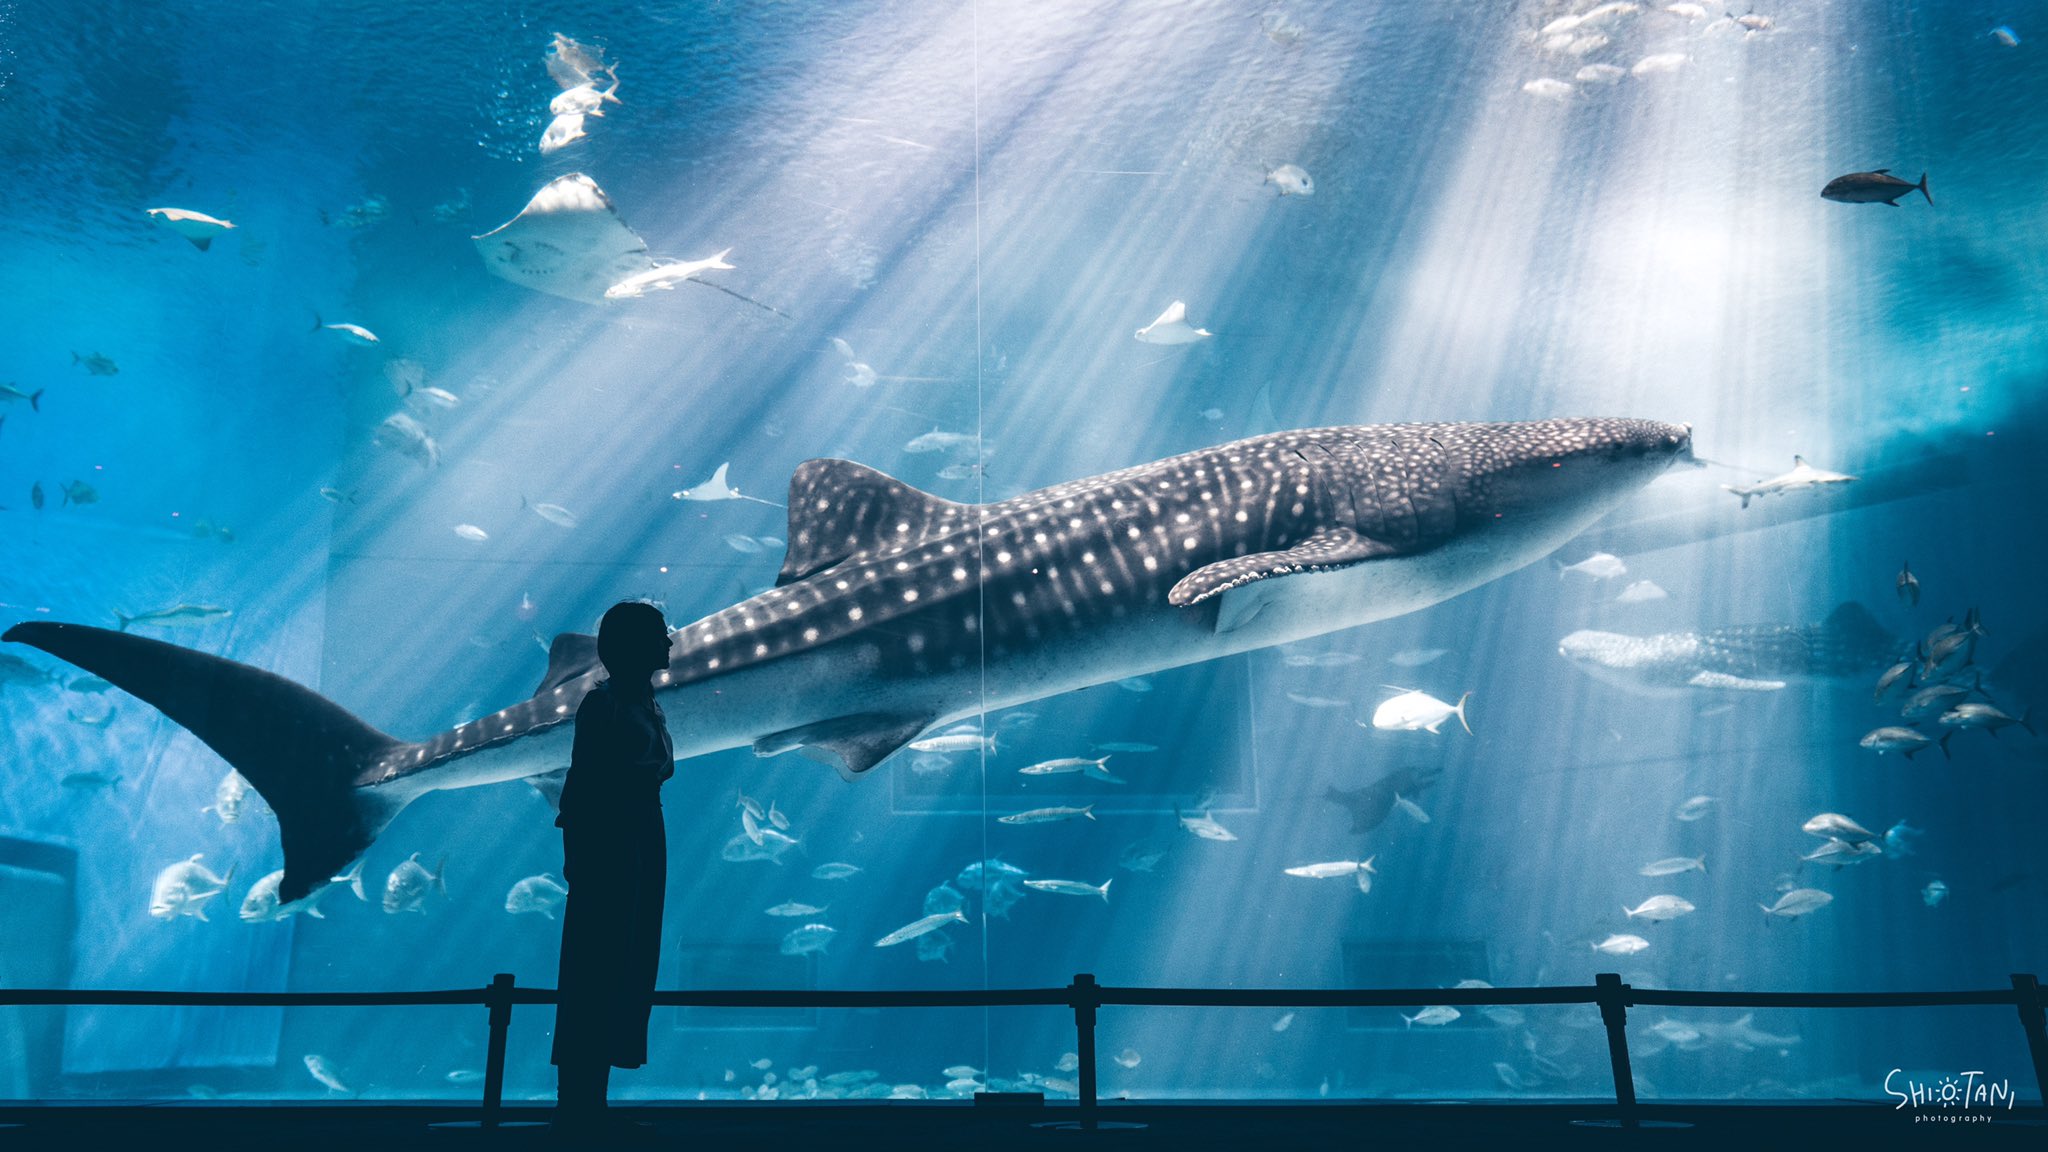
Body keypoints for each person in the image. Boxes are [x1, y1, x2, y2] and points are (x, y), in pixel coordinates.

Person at [552, 600, 675, 1130]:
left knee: (628, 960)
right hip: (613, 840)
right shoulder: (603, 705)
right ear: (633, 647)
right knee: (596, 965)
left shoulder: (645, 700)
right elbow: (582, 789)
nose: (670, 644)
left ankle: (591, 1101)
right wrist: (580, 860)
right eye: (659, 637)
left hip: (642, 835)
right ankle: (579, 1107)